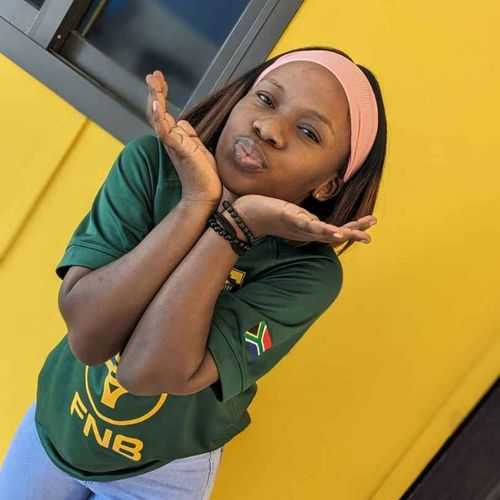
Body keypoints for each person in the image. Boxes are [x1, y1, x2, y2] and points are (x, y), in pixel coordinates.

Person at [0, 46, 387, 499]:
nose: (269, 128)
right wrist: (195, 203)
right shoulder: (150, 166)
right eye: (265, 99)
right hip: (58, 420)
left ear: (327, 184)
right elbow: (88, 336)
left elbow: (146, 372)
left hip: (160, 474)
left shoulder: (307, 273)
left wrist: (235, 228)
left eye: (308, 132)